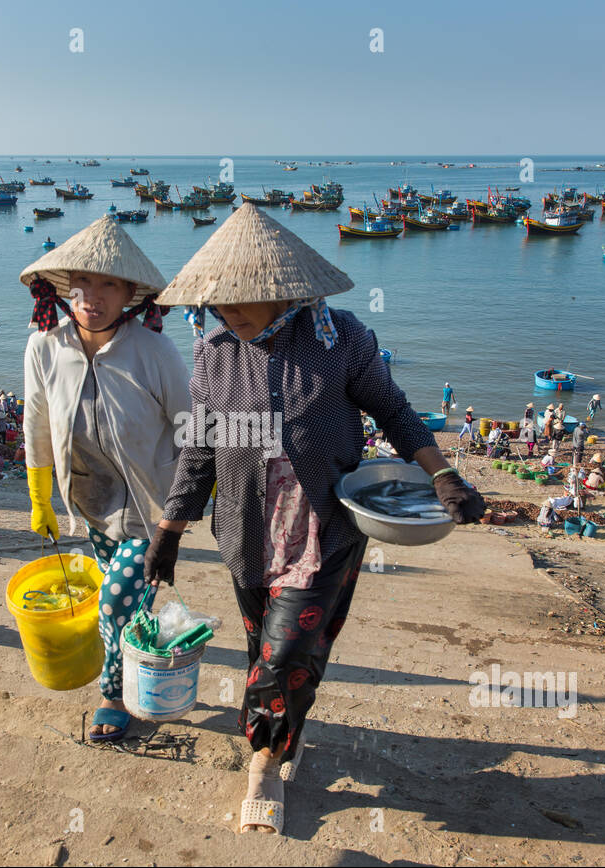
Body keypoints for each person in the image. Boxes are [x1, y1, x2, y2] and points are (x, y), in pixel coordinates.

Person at [145, 205, 484, 835]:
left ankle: (262, 767)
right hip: (243, 527)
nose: (228, 312)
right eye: (217, 303)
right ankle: (283, 737)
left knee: (286, 653)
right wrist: (168, 532)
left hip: (323, 527)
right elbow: (197, 451)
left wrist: (443, 475)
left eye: (242, 300)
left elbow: (396, 412)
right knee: (264, 650)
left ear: (283, 290)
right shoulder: (212, 354)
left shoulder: (342, 339)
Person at [20, 216, 191, 744]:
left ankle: (113, 696)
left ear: (131, 295)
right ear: (66, 288)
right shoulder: (45, 346)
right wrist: (39, 496)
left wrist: (180, 518)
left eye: (109, 284)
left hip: (148, 506)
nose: (93, 296)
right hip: (89, 501)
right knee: (124, 604)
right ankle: (134, 656)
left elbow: (191, 429)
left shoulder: (154, 352)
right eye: (84, 283)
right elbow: (36, 421)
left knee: (115, 600)